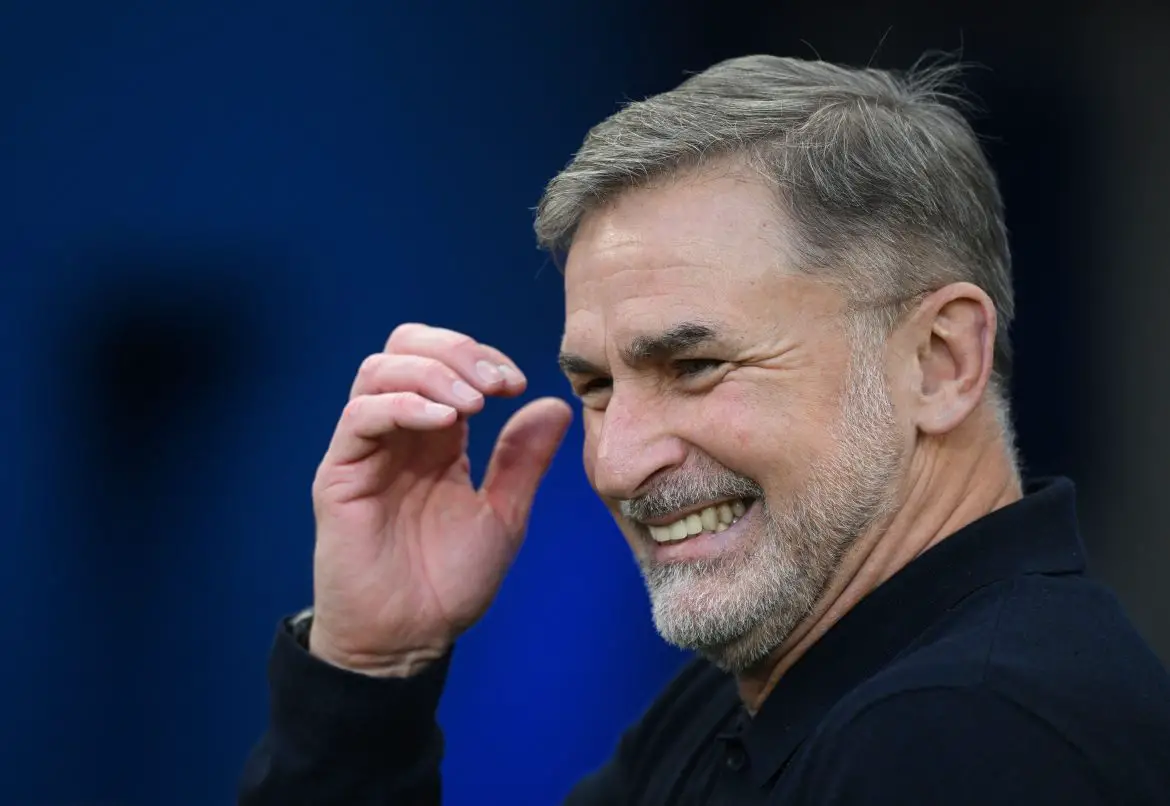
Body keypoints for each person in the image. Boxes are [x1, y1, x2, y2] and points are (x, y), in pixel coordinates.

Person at [238, 55, 1170, 805]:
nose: (617, 461)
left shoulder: (964, 734)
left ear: (939, 361)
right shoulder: (765, 688)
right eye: (597, 384)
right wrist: (369, 666)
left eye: (695, 366)